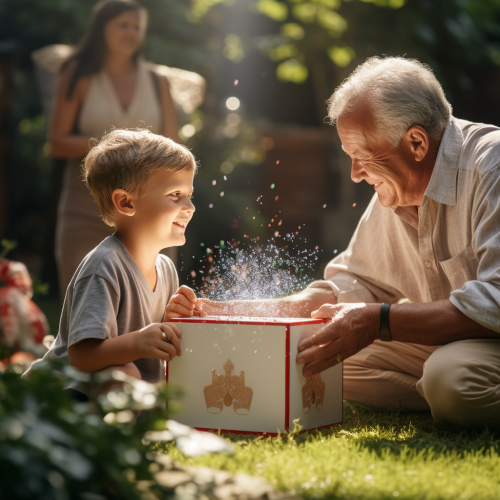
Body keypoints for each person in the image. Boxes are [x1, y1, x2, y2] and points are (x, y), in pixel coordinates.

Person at [205, 57, 500, 429]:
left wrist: (378, 323)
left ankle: (447, 389)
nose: (356, 174)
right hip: (456, 344)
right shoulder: (398, 186)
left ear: (416, 142)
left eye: (362, 156)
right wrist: (298, 303)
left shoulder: (492, 167)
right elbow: (358, 280)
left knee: (450, 380)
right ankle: (447, 391)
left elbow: (495, 302)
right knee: (311, 354)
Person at [25, 129, 200, 401]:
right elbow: (82, 356)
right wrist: (138, 342)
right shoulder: (104, 266)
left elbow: (156, 350)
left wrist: (172, 324)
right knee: (125, 374)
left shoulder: (165, 268)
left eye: (189, 194)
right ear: (126, 202)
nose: (190, 206)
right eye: (175, 194)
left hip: (122, 393)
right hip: (60, 397)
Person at [50, 0, 180, 295]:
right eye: (123, 24)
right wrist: (121, 149)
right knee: (85, 303)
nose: (131, 32)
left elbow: (174, 149)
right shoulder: (77, 74)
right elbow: (57, 142)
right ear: (101, 30)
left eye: (137, 27)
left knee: (153, 307)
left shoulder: (158, 81)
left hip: (150, 209)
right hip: (86, 206)